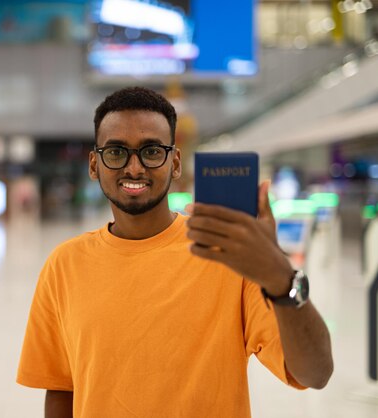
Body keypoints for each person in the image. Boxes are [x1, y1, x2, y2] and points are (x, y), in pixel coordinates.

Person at [17, 86, 333, 418]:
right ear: (94, 165)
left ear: (175, 162)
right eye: (116, 152)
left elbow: (314, 372)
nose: (134, 168)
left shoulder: (226, 256)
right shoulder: (65, 265)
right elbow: (61, 389)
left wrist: (280, 277)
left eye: (152, 151)